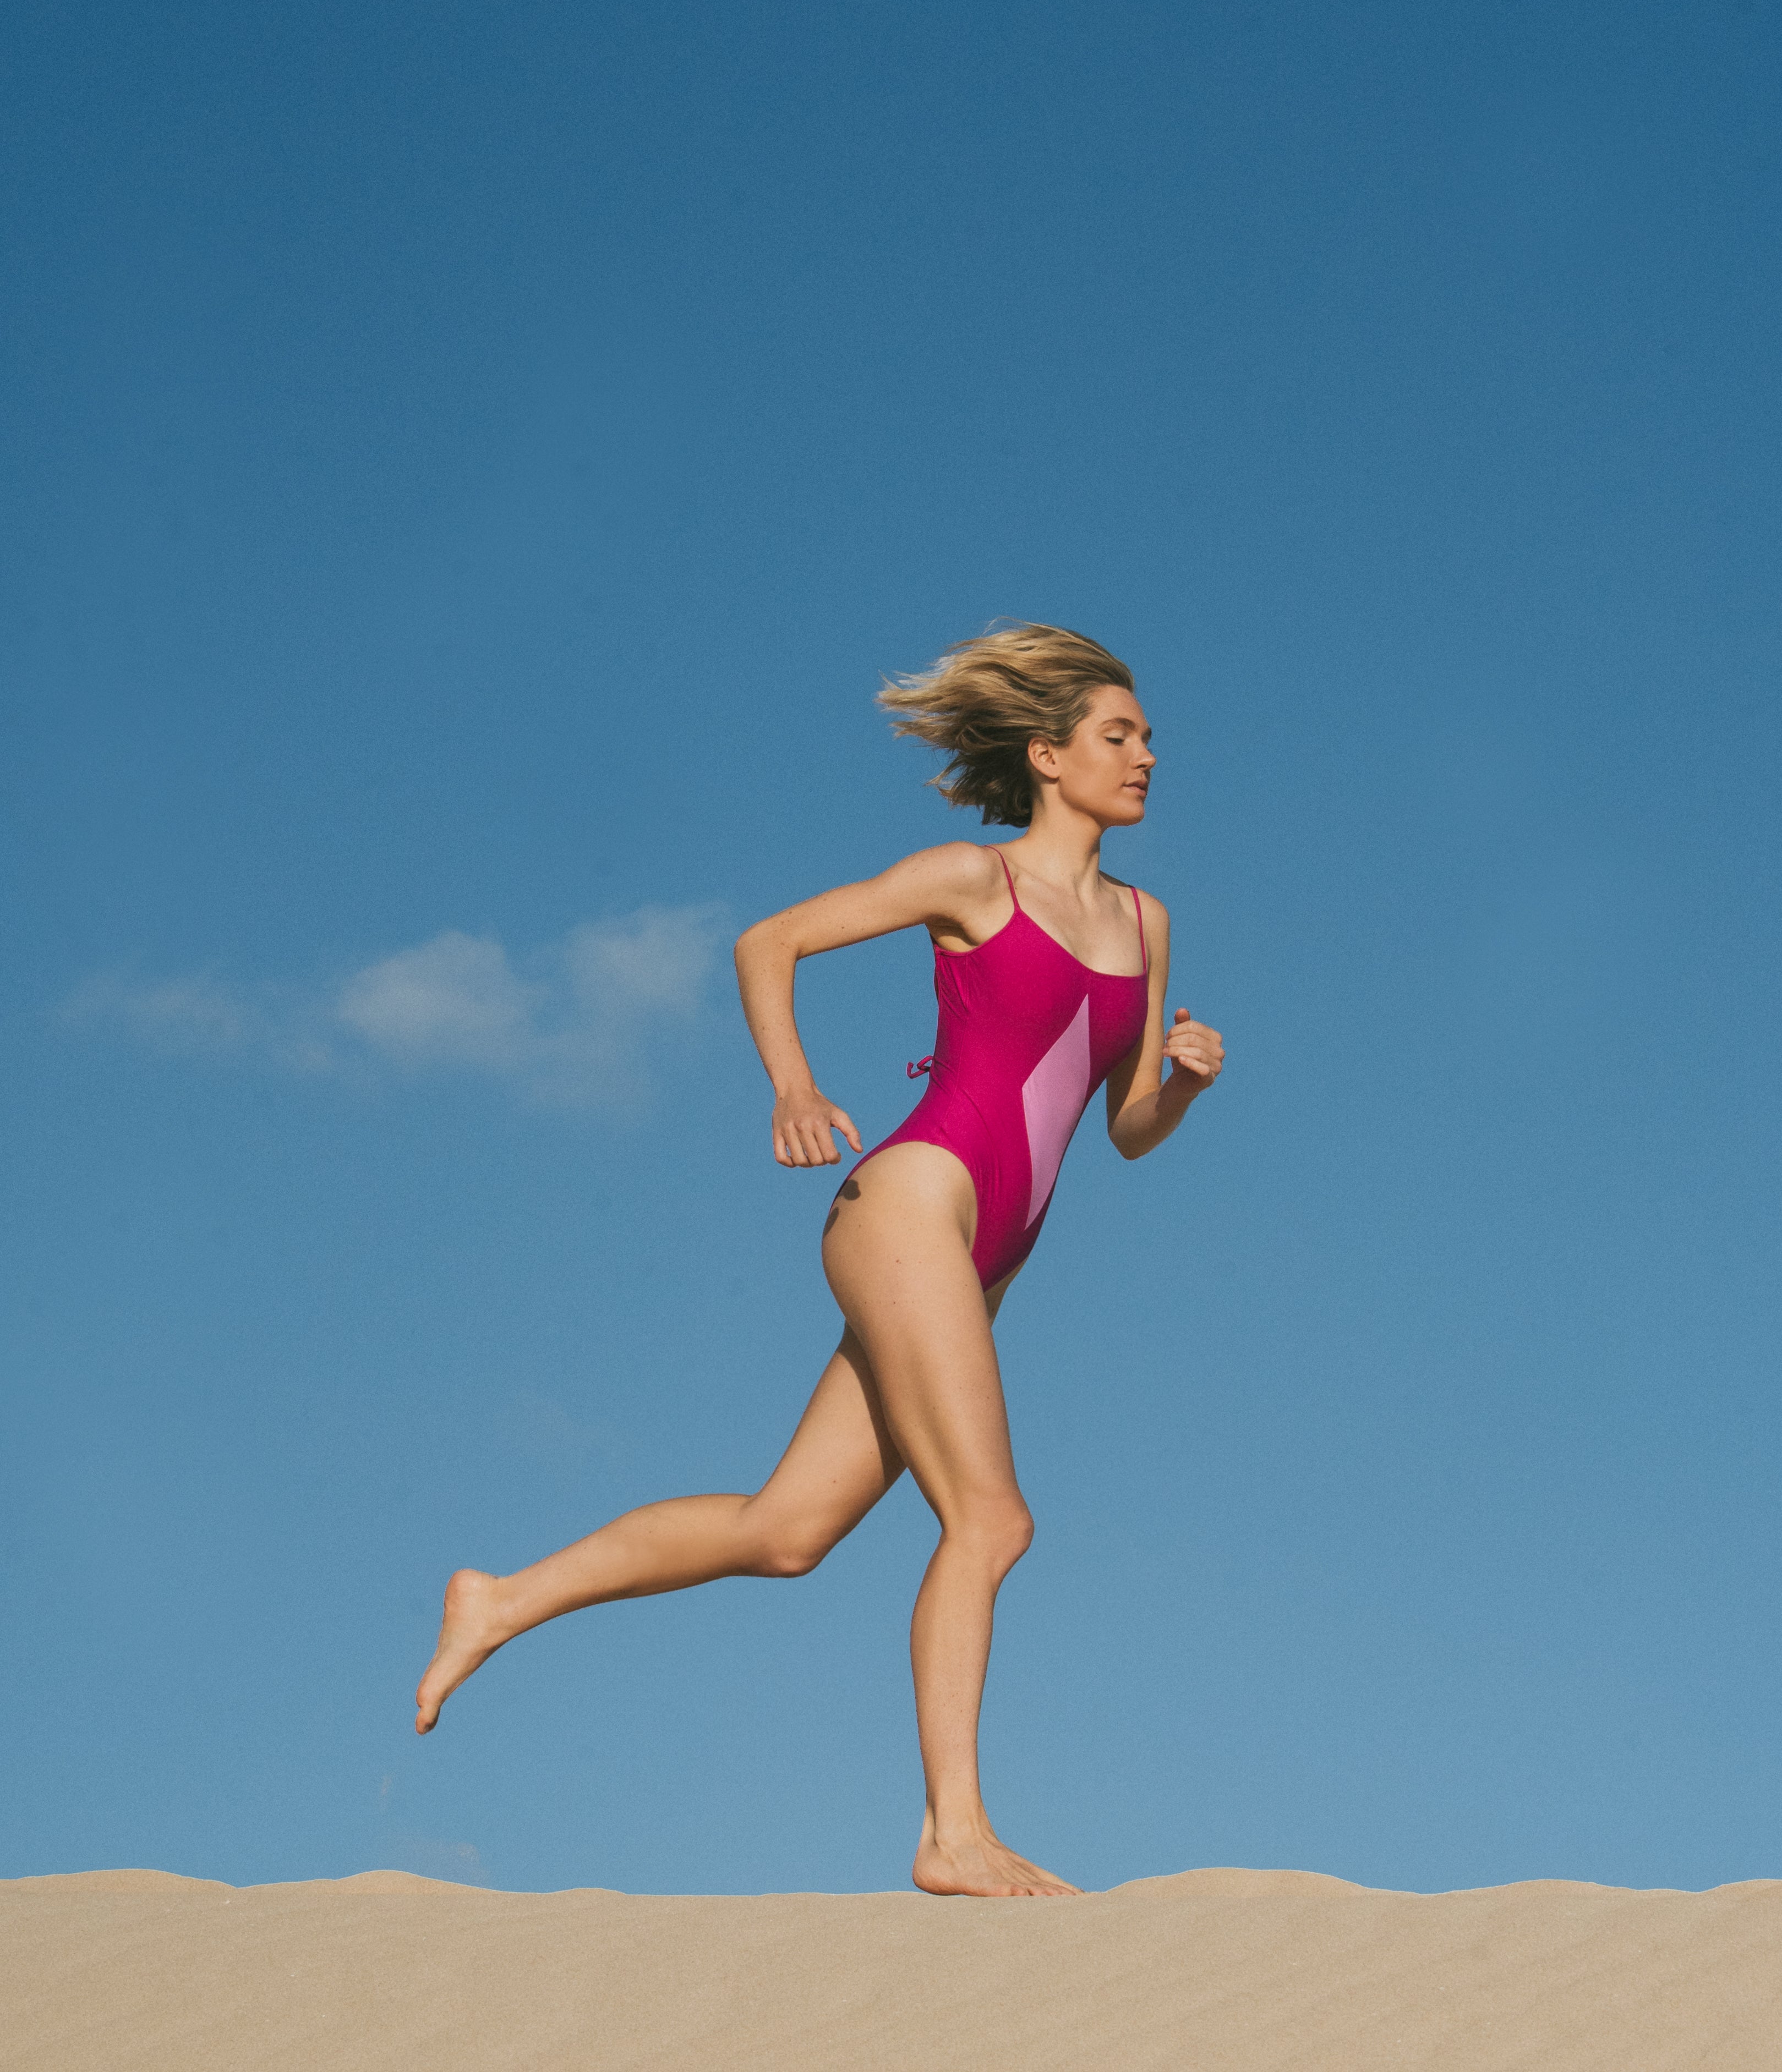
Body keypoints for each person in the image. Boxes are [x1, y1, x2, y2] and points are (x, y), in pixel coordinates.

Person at [413, 623, 1224, 1898]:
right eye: (1120, 736)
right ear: (1046, 752)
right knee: (991, 1519)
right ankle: (952, 1834)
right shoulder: (973, 880)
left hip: (983, 1257)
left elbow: (1121, 1131)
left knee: (784, 1530)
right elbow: (767, 941)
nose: (1147, 758)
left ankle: (500, 1599)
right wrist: (792, 1084)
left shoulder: (1144, 920)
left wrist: (1177, 1087)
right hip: (912, 1208)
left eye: (1147, 738)